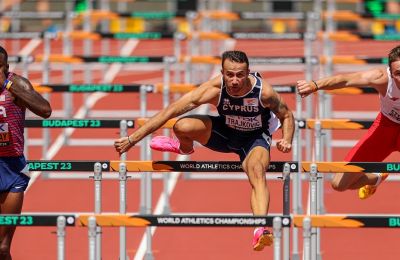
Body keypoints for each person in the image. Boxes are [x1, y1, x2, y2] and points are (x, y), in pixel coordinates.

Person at [114, 50, 294, 251]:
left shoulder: (264, 92)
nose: (234, 81)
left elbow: (287, 116)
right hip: (223, 133)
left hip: (253, 139)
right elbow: (170, 110)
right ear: (222, 73)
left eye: (240, 75)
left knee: (257, 172)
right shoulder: (214, 90)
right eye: (230, 75)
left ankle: (260, 229)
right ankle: (183, 147)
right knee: (182, 126)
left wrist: (287, 139)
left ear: (248, 72)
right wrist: (133, 139)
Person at [296, 44, 400, 200]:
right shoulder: (381, 78)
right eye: (398, 73)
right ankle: (377, 177)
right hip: (385, 128)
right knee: (339, 184)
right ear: (390, 73)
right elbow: (345, 80)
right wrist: (315, 85)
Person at [0, 46, 52, 259]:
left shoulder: (16, 84)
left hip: (12, 169)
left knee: (2, 247)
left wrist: (7, 85)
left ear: (7, 67)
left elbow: (45, 110)